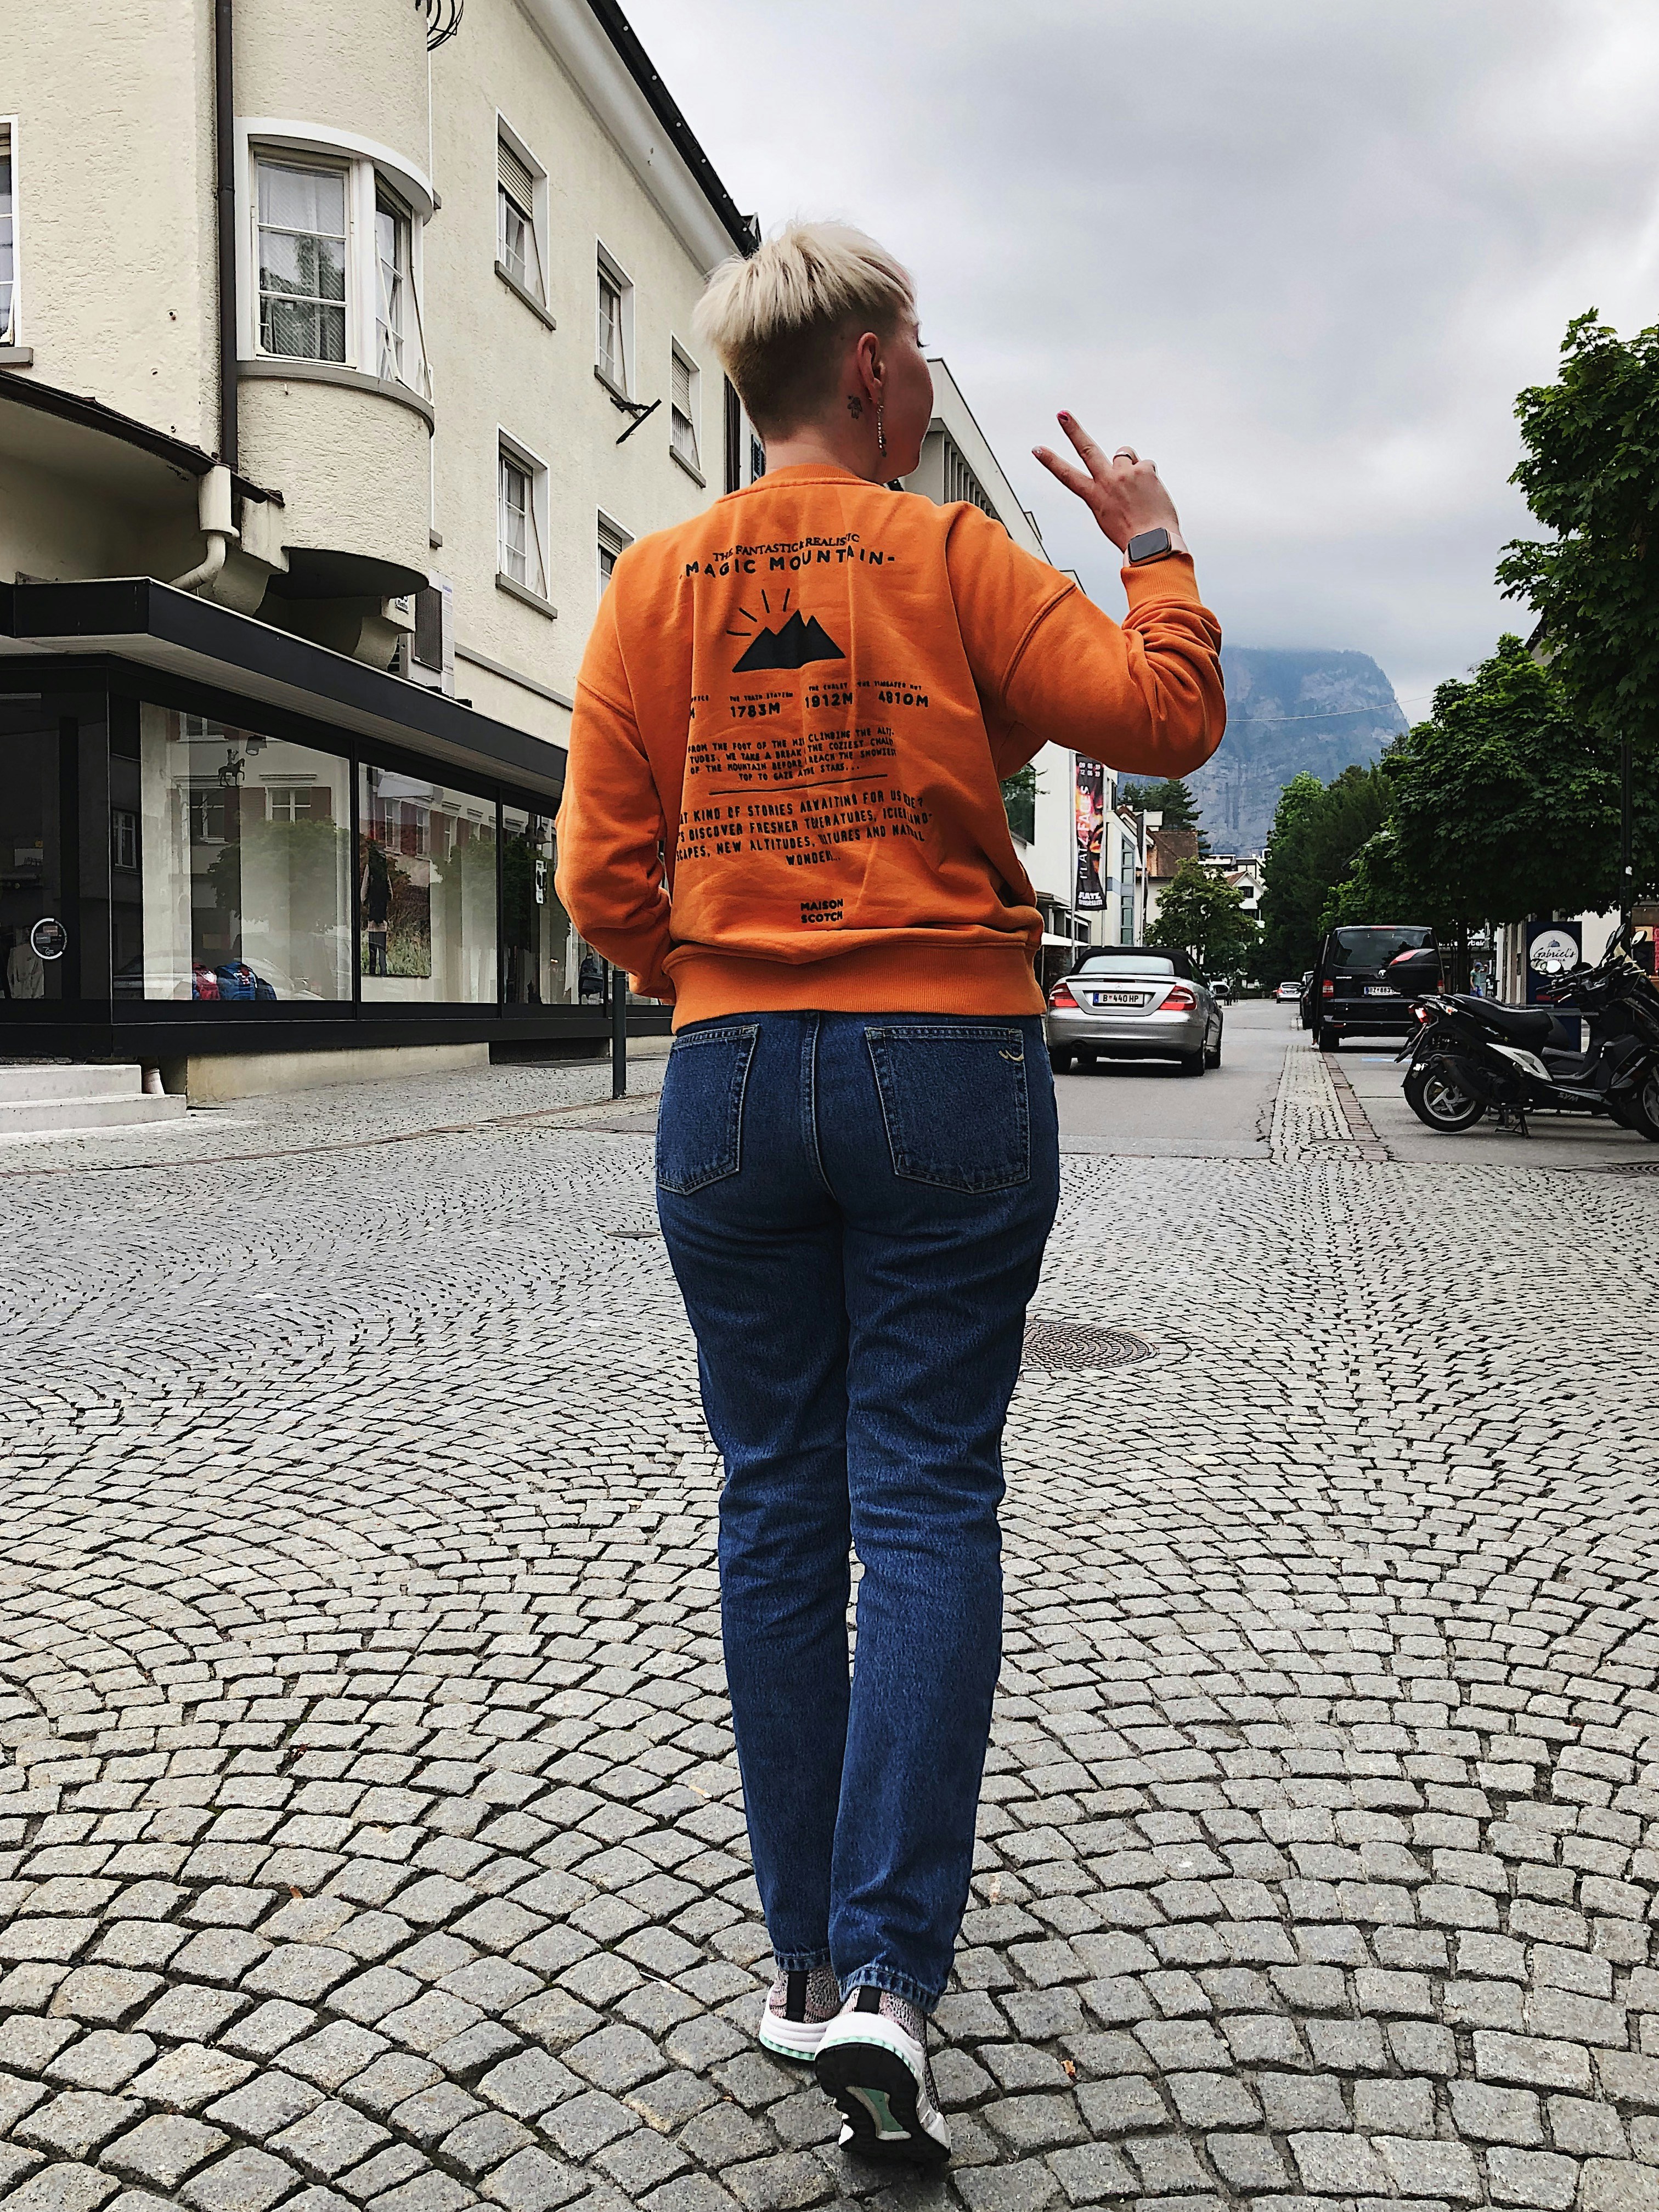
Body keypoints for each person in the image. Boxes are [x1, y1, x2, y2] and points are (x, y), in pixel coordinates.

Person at [555, 221, 1223, 2168]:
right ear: (864, 373)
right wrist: (1156, 539)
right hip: (945, 1058)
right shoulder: (947, 556)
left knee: (778, 1503)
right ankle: (886, 1981)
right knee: (926, 1494)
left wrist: (729, 978)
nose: (929, 382)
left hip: (733, 1076)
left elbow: (604, 874)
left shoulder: (654, 581)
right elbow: (1161, 724)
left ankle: (799, 1969)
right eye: (916, 354)